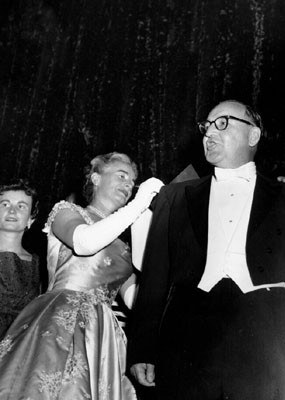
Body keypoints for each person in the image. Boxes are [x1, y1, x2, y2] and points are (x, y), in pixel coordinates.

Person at [128, 100, 285, 400]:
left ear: (253, 136)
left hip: (267, 334)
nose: (209, 134)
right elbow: (155, 277)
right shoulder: (174, 196)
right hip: (187, 331)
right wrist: (142, 347)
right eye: (206, 127)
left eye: (223, 123)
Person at [0, 152, 163, 400]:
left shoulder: (124, 246)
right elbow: (85, 242)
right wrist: (139, 204)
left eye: (132, 181)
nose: (129, 184)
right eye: (121, 175)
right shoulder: (66, 211)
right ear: (96, 178)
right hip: (61, 320)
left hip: (102, 333)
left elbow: (135, 300)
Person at [0, 179, 40, 339]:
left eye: (21, 206)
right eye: (5, 204)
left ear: (31, 219)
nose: (12, 211)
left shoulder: (38, 265)